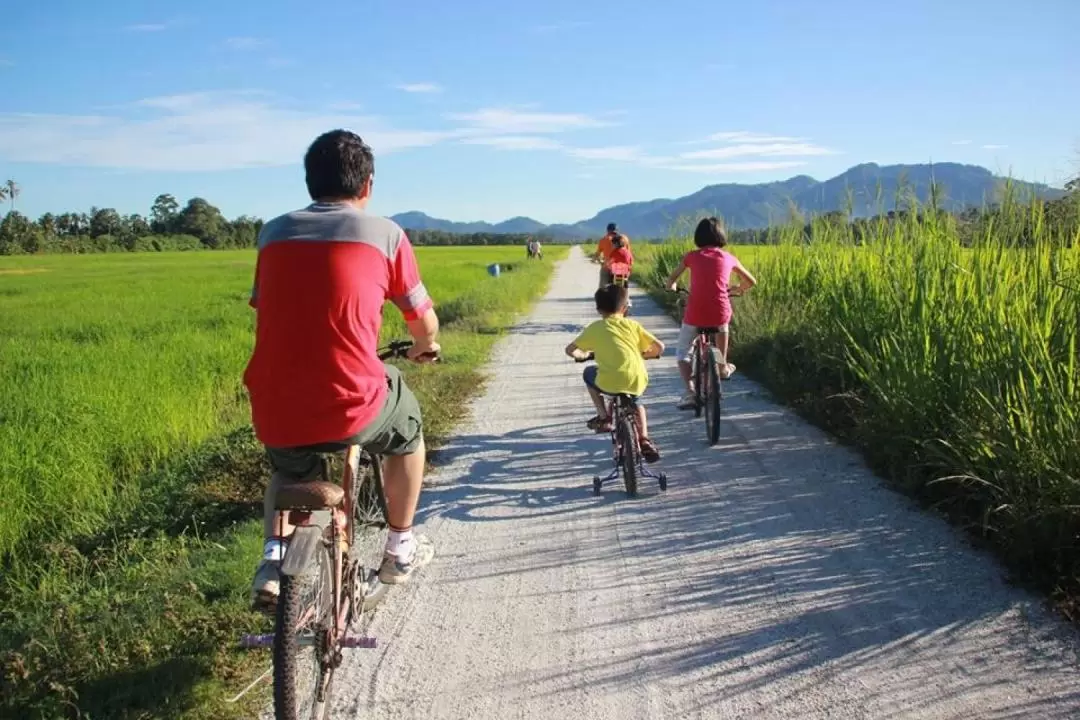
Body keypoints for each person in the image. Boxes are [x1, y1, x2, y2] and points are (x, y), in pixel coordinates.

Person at [243, 129, 439, 612]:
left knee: (287, 469)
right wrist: (426, 344)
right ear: (367, 185)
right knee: (408, 427)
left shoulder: (273, 232)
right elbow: (421, 319)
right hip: (354, 401)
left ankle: (273, 558)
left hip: (274, 399)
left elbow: (265, 306)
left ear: (309, 182)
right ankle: (399, 547)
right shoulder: (386, 233)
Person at [564, 284, 664, 463]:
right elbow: (660, 347)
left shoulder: (596, 328)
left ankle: (604, 418)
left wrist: (583, 355)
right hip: (636, 379)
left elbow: (570, 349)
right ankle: (644, 439)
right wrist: (647, 355)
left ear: (598, 309)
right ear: (625, 308)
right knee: (637, 404)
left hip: (609, 382)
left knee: (589, 373)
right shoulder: (632, 325)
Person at [665, 216, 757, 410]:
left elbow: (671, 279)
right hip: (720, 310)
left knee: (682, 352)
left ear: (698, 237)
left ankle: (690, 392)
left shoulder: (691, 257)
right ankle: (722, 367)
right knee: (722, 324)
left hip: (695, 313)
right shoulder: (729, 257)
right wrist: (737, 289)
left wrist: (672, 286)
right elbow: (751, 281)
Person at [594, 222, 632, 288]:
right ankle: (625, 297)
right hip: (621, 267)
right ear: (617, 230)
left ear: (607, 230)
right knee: (621, 289)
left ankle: (604, 295)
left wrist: (597, 259)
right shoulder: (624, 239)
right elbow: (628, 253)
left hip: (607, 266)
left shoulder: (604, 239)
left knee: (603, 288)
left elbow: (597, 254)